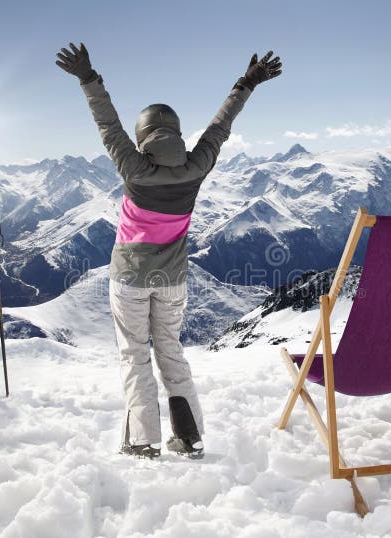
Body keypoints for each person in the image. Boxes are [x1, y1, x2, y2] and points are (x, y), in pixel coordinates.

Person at [56, 41, 282, 459]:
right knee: (171, 352)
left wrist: (89, 78)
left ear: (143, 139)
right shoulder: (197, 167)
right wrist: (246, 83)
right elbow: (220, 127)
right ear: (177, 133)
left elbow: (108, 125)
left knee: (135, 355)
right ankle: (188, 435)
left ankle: (142, 440)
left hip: (129, 280)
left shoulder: (134, 168)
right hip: (173, 280)